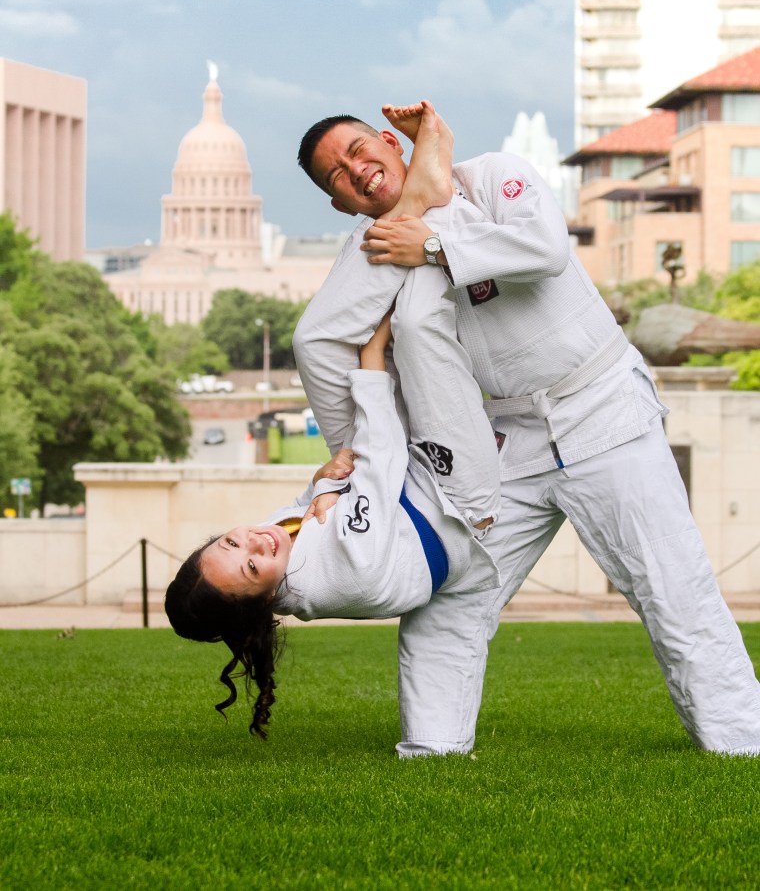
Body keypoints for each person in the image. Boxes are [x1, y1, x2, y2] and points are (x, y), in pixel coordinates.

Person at [294, 99, 760, 758]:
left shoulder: (492, 177)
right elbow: (323, 340)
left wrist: (430, 242)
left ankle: (741, 745)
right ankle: (433, 750)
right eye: (337, 174)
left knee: (672, 586)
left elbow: (542, 249)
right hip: (502, 445)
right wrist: (351, 451)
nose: (357, 168)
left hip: (602, 408)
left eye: (360, 148)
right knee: (450, 598)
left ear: (394, 143)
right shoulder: (369, 250)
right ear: (339, 204)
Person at [164, 309, 502, 739]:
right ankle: (440, 259)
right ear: (266, 599)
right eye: (250, 567)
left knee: (313, 343)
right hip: (452, 499)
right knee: (416, 322)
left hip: (403, 490)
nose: (255, 543)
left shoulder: (274, 549)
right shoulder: (344, 570)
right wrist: (372, 355)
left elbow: (310, 505)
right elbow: (380, 461)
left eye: (230, 542)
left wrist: (322, 482)